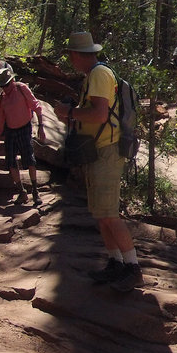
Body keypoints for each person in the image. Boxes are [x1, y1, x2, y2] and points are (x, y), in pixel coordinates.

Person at [53, 31, 143, 293]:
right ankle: (116, 262)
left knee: (110, 215)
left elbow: (100, 115)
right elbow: (93, 115)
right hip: (97, 150)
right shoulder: (92, 76)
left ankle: (133, 268)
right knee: (101, 214)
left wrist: (68, 111)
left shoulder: (100, 75)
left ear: (78, 55)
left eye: (70, 54)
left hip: (107, 151)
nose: (69, 59)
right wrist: (70, 115)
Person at [0, 69, 45, 206]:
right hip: (10, 131)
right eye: (2, 86)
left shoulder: (21, 89)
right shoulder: (2, 98)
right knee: (11, 162)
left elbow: (36, 106)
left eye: (6, 85)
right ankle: (22, 192)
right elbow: (0, 120)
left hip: (25, 128)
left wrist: (41, 126)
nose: (5, 88)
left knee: (29, 160)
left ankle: (35, 191)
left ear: (12, 81)